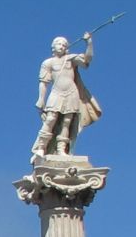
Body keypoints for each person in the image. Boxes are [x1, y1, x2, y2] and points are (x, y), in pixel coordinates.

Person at [31, 32, 100, 161]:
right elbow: (43, 82)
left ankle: (61, 149)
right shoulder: (48, 63)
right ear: (53, 47)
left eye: (64, 45)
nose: (61, 46)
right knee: (50, 119)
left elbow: (87, 59)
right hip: (56, 93)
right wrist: (41, 98)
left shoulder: (71, 59)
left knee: (67, 122)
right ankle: (41, 148)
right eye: (59, 44)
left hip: (71, 93)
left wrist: (89, 42)